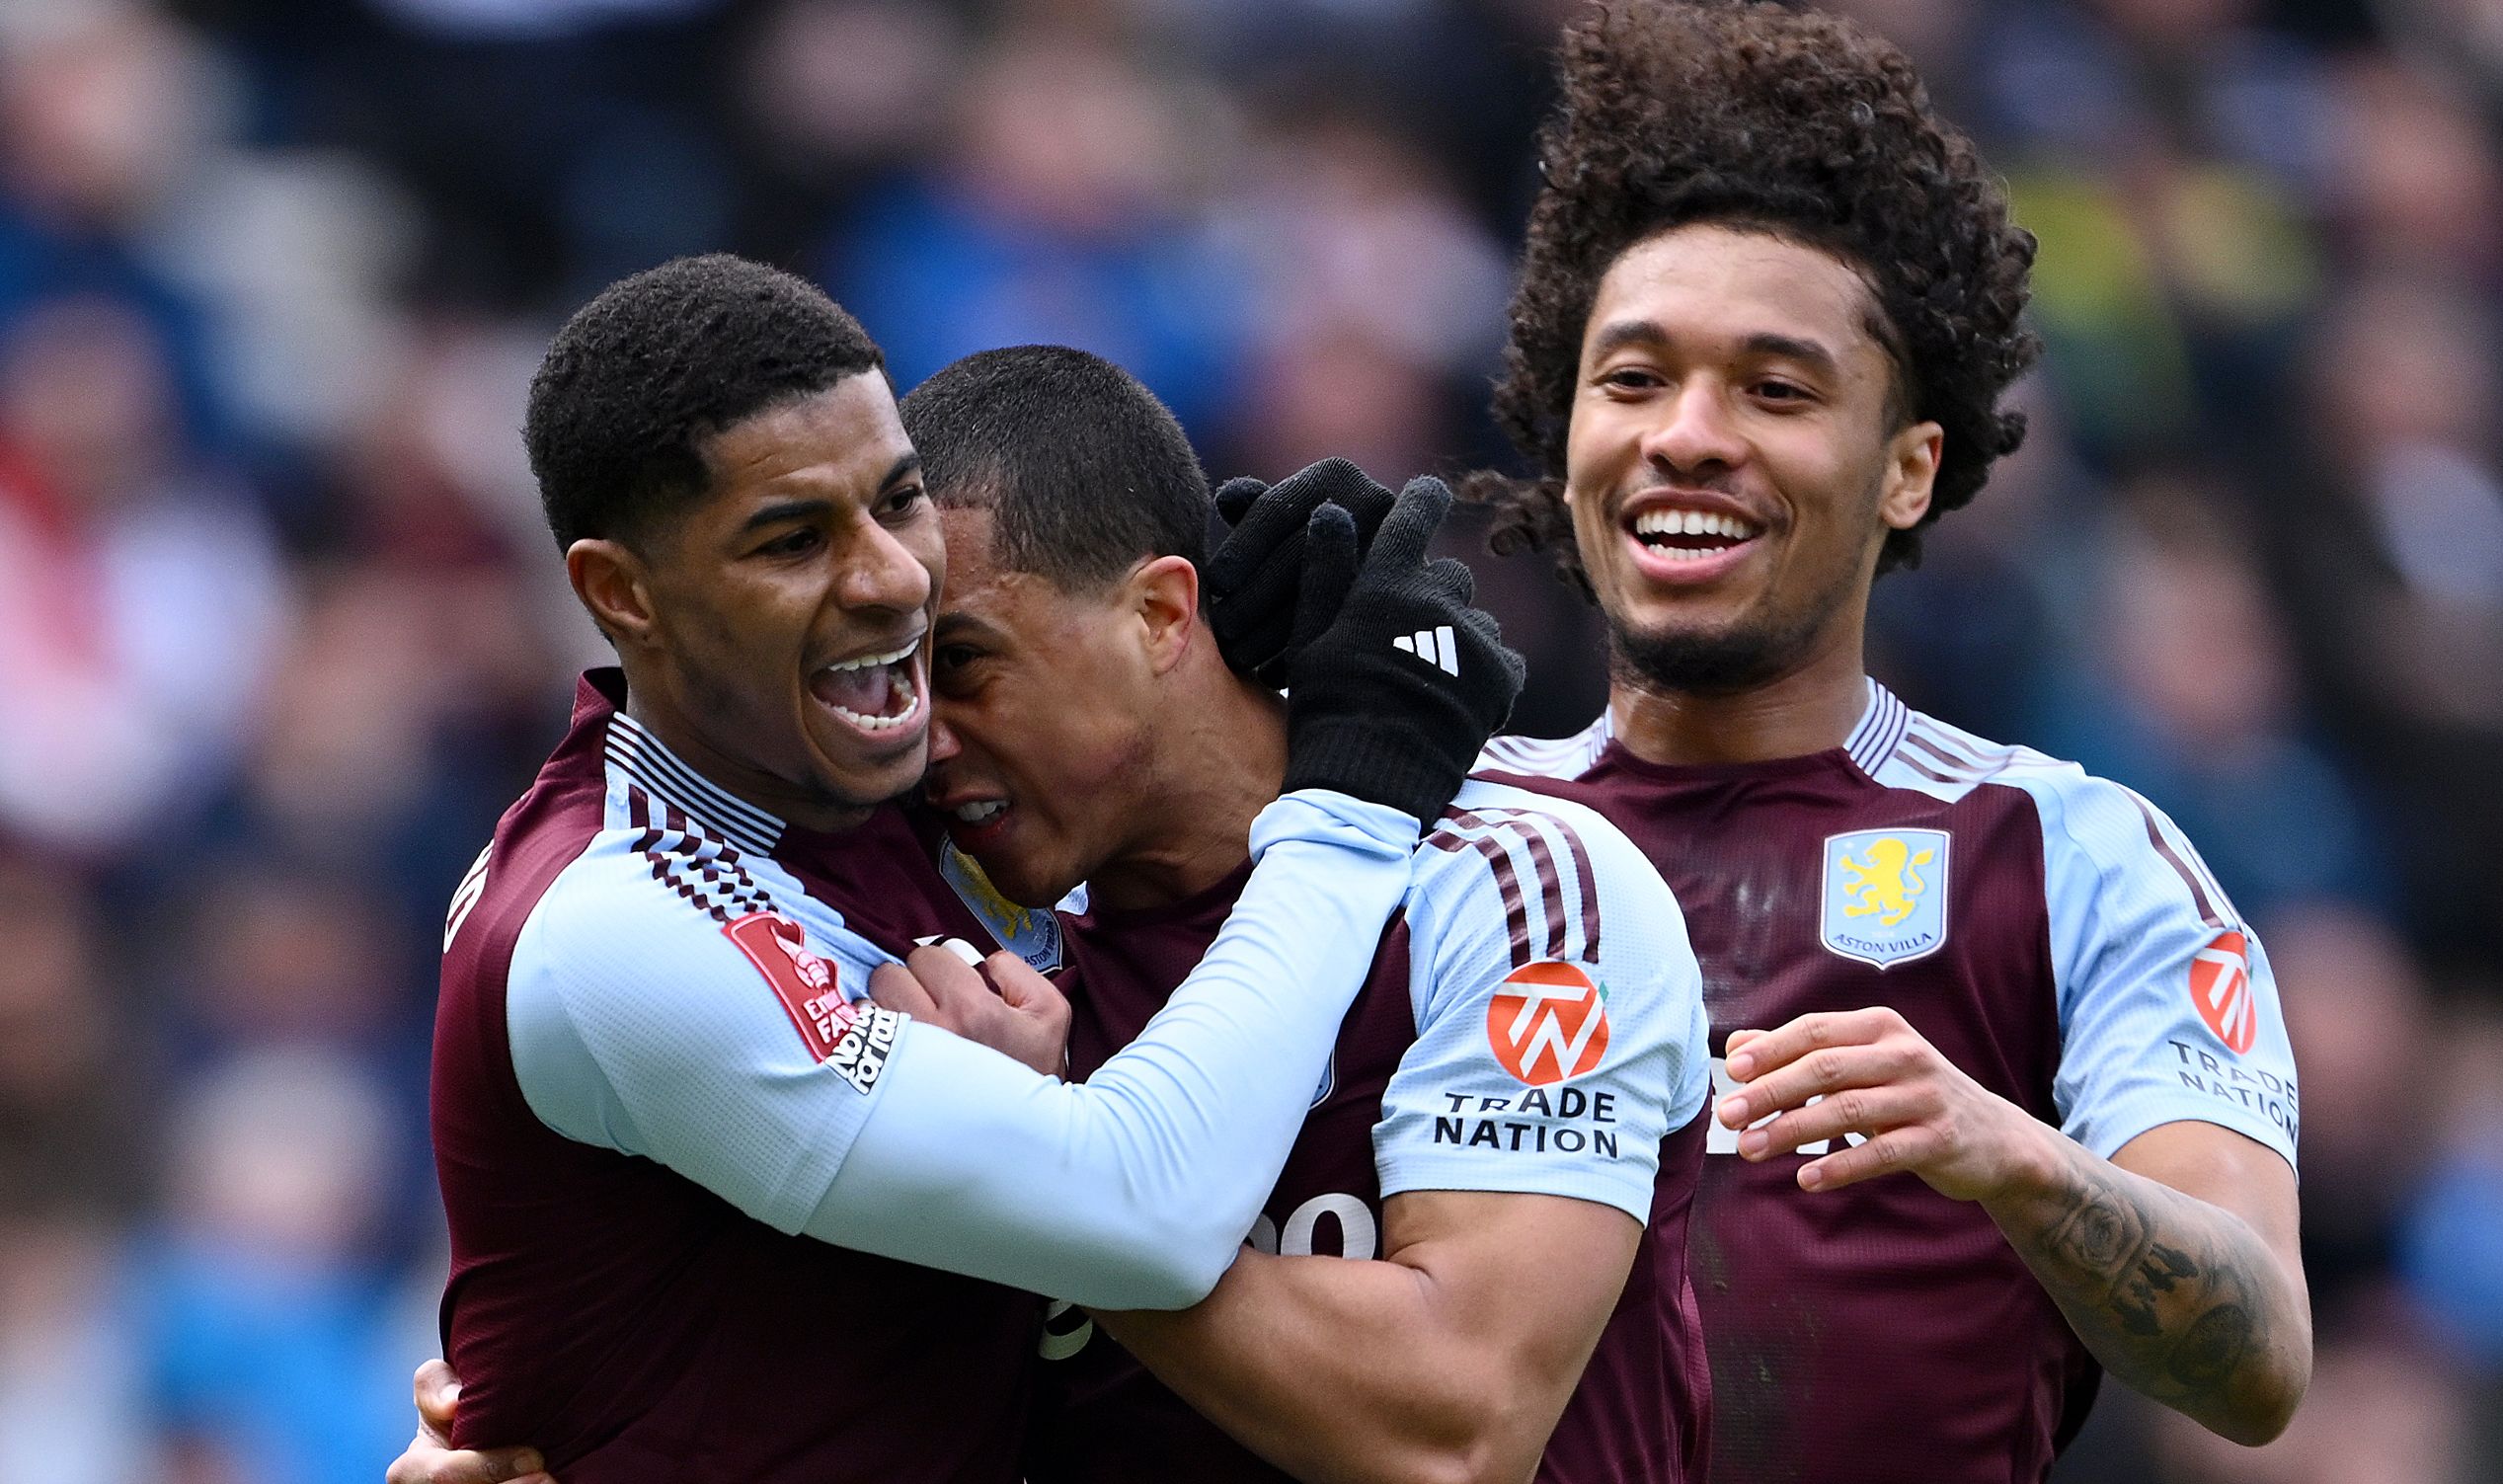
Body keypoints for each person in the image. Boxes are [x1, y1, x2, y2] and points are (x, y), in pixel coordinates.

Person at [398, 345, 1711, 1484]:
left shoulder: (1512, 884)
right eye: (890, 674)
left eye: (962, 663)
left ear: (1160, 611)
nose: (924, 735)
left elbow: (1450, 1432)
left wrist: (1040, 1201)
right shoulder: (944, 943)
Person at [1441, 3, 2311, 1478]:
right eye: (1634, 380)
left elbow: (2258, 1359)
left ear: (1910, 470)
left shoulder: (2070, 856)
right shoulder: (1421, 841)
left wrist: (2013, 1156)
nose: (1688, 435)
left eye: (1775, 391)